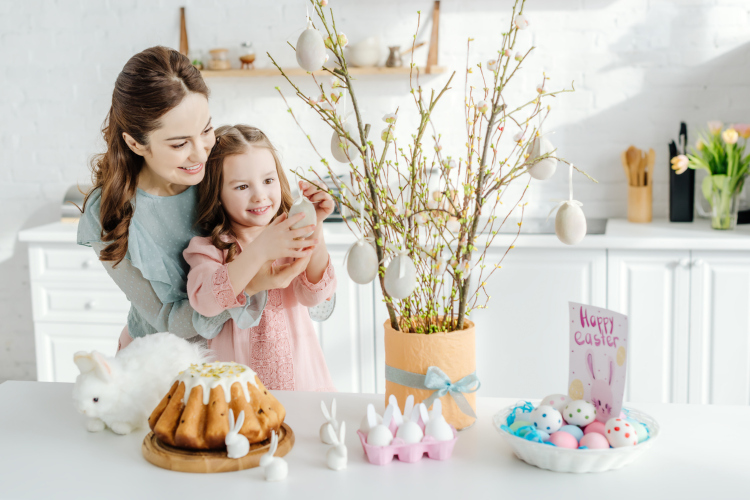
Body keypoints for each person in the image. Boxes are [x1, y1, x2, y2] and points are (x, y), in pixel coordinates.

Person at [77, 46, 312, 350]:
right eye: (179, 144)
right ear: (135, 143)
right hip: (158, 362)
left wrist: (306, 216)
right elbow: (168, 321)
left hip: (231, 357)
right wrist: (251, 281)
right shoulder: (108, 213)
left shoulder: (215, 168)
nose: (201, 152)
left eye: (206, 130)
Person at [184, 124, 336, 391]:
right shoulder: (208, 248)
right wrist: (260, 250)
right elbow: (205, 302)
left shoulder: (290, 235)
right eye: (242, 186)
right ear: (217, 195)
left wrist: (315, 226)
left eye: (268, 180)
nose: (260, 195)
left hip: (302, 384)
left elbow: (314, 295)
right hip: (237, 395)